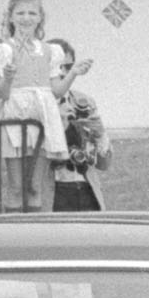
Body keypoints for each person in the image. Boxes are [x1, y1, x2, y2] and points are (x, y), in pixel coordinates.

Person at [0, 0, 70, 212]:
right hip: (16, 116)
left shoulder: (49, 50)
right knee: (16, 186)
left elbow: (56, 90)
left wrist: (73, 75)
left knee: (35, 186)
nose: (26, 18)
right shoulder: (4, 49)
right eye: (21, 12)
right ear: (11, 17)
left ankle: (33, 232)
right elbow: (3, 94)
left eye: (32, 13)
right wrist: (7, 77)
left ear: (40, 17)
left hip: (42, 118)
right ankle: (13, 232)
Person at [47, 37, 110, 212]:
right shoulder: (38, 105)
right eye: (57, 68)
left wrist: (100, 134)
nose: (64, 74)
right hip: (55, 190)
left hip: (86, 188)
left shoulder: (84, 101)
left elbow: (104, 164)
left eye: (69, 67)